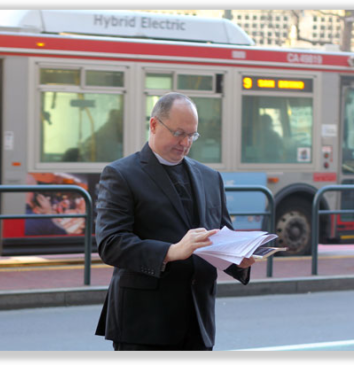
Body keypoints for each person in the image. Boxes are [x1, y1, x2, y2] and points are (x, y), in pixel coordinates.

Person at [94, 92, 256, 351]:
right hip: (144, 324)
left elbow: (220, 236)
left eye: (192, 135)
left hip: (198, 322)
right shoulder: (120, 174)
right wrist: (171, 252)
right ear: (154, 125)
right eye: (179, 133)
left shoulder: (210, 177)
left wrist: (239, 259)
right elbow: (111, 243)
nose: (186, 143)